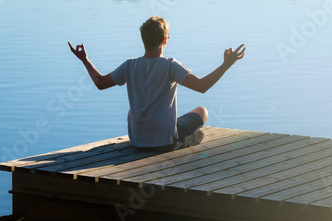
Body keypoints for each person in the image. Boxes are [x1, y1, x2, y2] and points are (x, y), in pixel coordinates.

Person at [68, 16, 245, 152]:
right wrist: (226, 65)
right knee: (202, 111)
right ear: (165, 40)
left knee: (132, 112)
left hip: (138, 143)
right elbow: (202, 86)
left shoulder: (130, 65)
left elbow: (100, 83)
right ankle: (183, 139)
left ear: (143, 40)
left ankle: (167, 132)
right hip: (165, 143)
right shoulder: (170, 65)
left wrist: (85, 59)